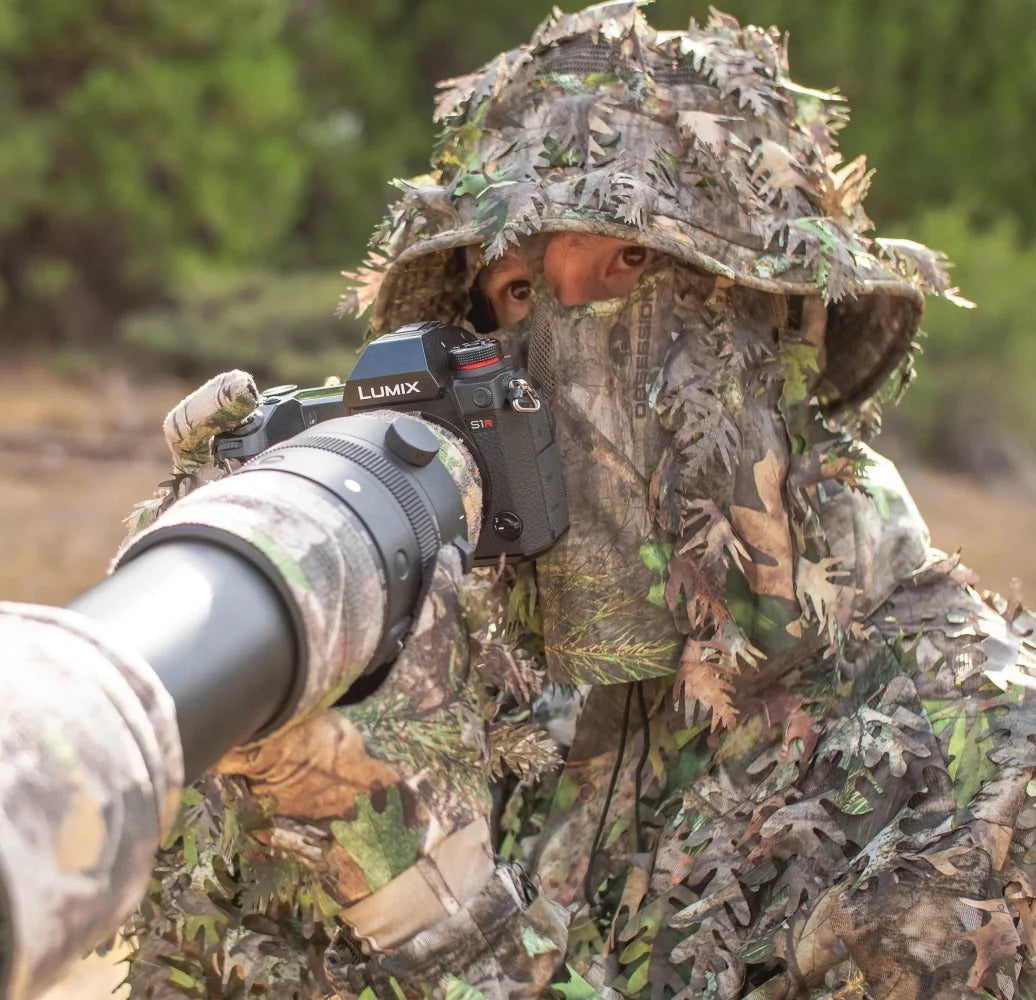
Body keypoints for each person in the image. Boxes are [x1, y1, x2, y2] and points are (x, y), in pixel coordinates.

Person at [122, 4, 1036, 999]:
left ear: (781, 320)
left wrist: (433, 904)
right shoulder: (500, 688)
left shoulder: (981, 769)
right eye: (517, 291)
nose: (563, 350)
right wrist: (251, 707)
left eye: (630, 264)